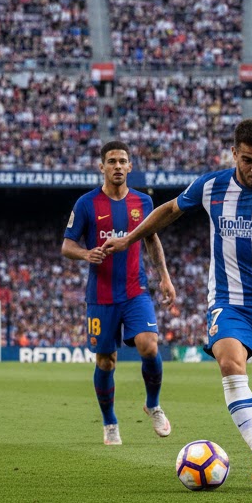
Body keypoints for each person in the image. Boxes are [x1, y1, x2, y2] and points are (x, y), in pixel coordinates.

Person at [101, 118, 252, 484]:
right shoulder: (212, 186)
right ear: (234, 154)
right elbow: (169, 210)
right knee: (230, 362)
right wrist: (129, 239)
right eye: (247, 160)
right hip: (228, 301)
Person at [62, 140, 176, 446]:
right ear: (101, 167)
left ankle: (152, 404)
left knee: (149, 346)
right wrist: (86, 254)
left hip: (135, 290)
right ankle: (110, 422)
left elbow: (152, 240)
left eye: (122, 161)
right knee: (106, 362)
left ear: (130, 166)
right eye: (111, 161)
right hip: (100, 295)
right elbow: (67, 245)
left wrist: (164, 278)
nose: (116, 166)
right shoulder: (86, 204)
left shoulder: (143, 203)